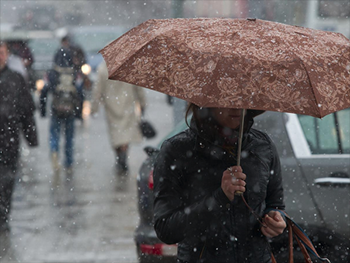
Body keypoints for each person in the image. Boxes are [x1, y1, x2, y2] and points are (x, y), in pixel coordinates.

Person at [153, 104, 286, 263]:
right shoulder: (177, 150)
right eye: (227, 102)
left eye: (241, 100)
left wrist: (275, 219)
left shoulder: (263, 146)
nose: (237, 108)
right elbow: (166, 229)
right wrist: (219, 198)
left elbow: (275, 204)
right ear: (206, 104)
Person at [0, 40, 38, 232]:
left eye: (2, 52)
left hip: (9, 140)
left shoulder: (16, 78)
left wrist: (31, 137)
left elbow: (26, 110)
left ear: (7, 54)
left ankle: (3, 216)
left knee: (7, 181)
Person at [91, 61, 146, 178]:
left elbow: (97, 90)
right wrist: (142, 102)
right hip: (127, 104)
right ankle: (123, 156)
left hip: (111, 107)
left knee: (116, 135)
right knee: (125, 134)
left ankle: (120, 157)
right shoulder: (128, 67)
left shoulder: (102, 69)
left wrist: (94, 108)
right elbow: (138, 87)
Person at [40, 42, 82, 178]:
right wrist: (79, 113)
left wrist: (42, 110)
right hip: (69, 109)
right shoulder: (74, 73)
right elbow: (79, 93)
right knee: (69, 137)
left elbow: (44, 91)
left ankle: (54, 151)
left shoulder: (53, 73)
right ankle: (68, 163)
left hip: (56, 109)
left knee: (54, 134)